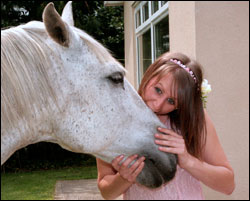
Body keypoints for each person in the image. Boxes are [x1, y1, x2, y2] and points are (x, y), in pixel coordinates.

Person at [96, 52, 235, 200]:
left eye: (171, 101)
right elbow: (106, 192)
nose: (158, 104)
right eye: (158, 90)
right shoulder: (115, 120)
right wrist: (124, 178)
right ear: (150, 74)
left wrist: (188, 161)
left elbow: (228, 185)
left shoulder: (195, 120)